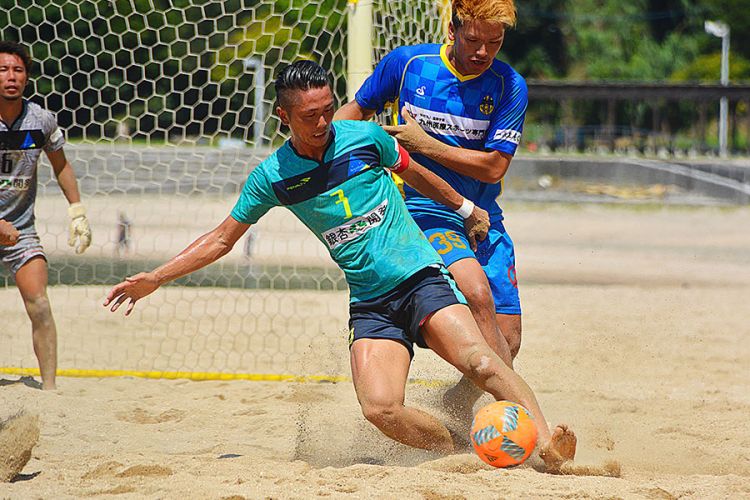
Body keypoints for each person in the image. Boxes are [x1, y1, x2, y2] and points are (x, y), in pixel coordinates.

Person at [103, 61, 575, 469]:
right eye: (311, 115)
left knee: (481, 361)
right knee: (380, 409)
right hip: (371, 302)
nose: (324, 121)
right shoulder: (273, 177)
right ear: (284, 116)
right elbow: (223, 239)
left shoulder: (366, 137)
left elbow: (417, 173)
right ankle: (458, 450)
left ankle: (547, 441)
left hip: (420, 279)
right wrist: (156, 278)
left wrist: (466, 209)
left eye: (329, 109)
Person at [335, 0, 528, 417]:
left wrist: (426, 144)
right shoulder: (408, 63)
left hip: (483, 215)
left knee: (507, 340)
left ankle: (457, 409)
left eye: (494, 43)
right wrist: (327, 153)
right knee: (476, 293)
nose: (482, 52)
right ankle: (521, 423)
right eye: (474, 40)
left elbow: (495, 167)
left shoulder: (509, 85)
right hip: (420, 206)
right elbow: (356, 111)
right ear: (453, 27)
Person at [0, 41, 92, 390]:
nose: (11, 76)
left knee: (39, 303)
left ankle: (50, 390)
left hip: (21, 230)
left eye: (18, 70)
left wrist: (77, 210)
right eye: (3, 69)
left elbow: (62, 166)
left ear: (27, 77)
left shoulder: (40, 120)